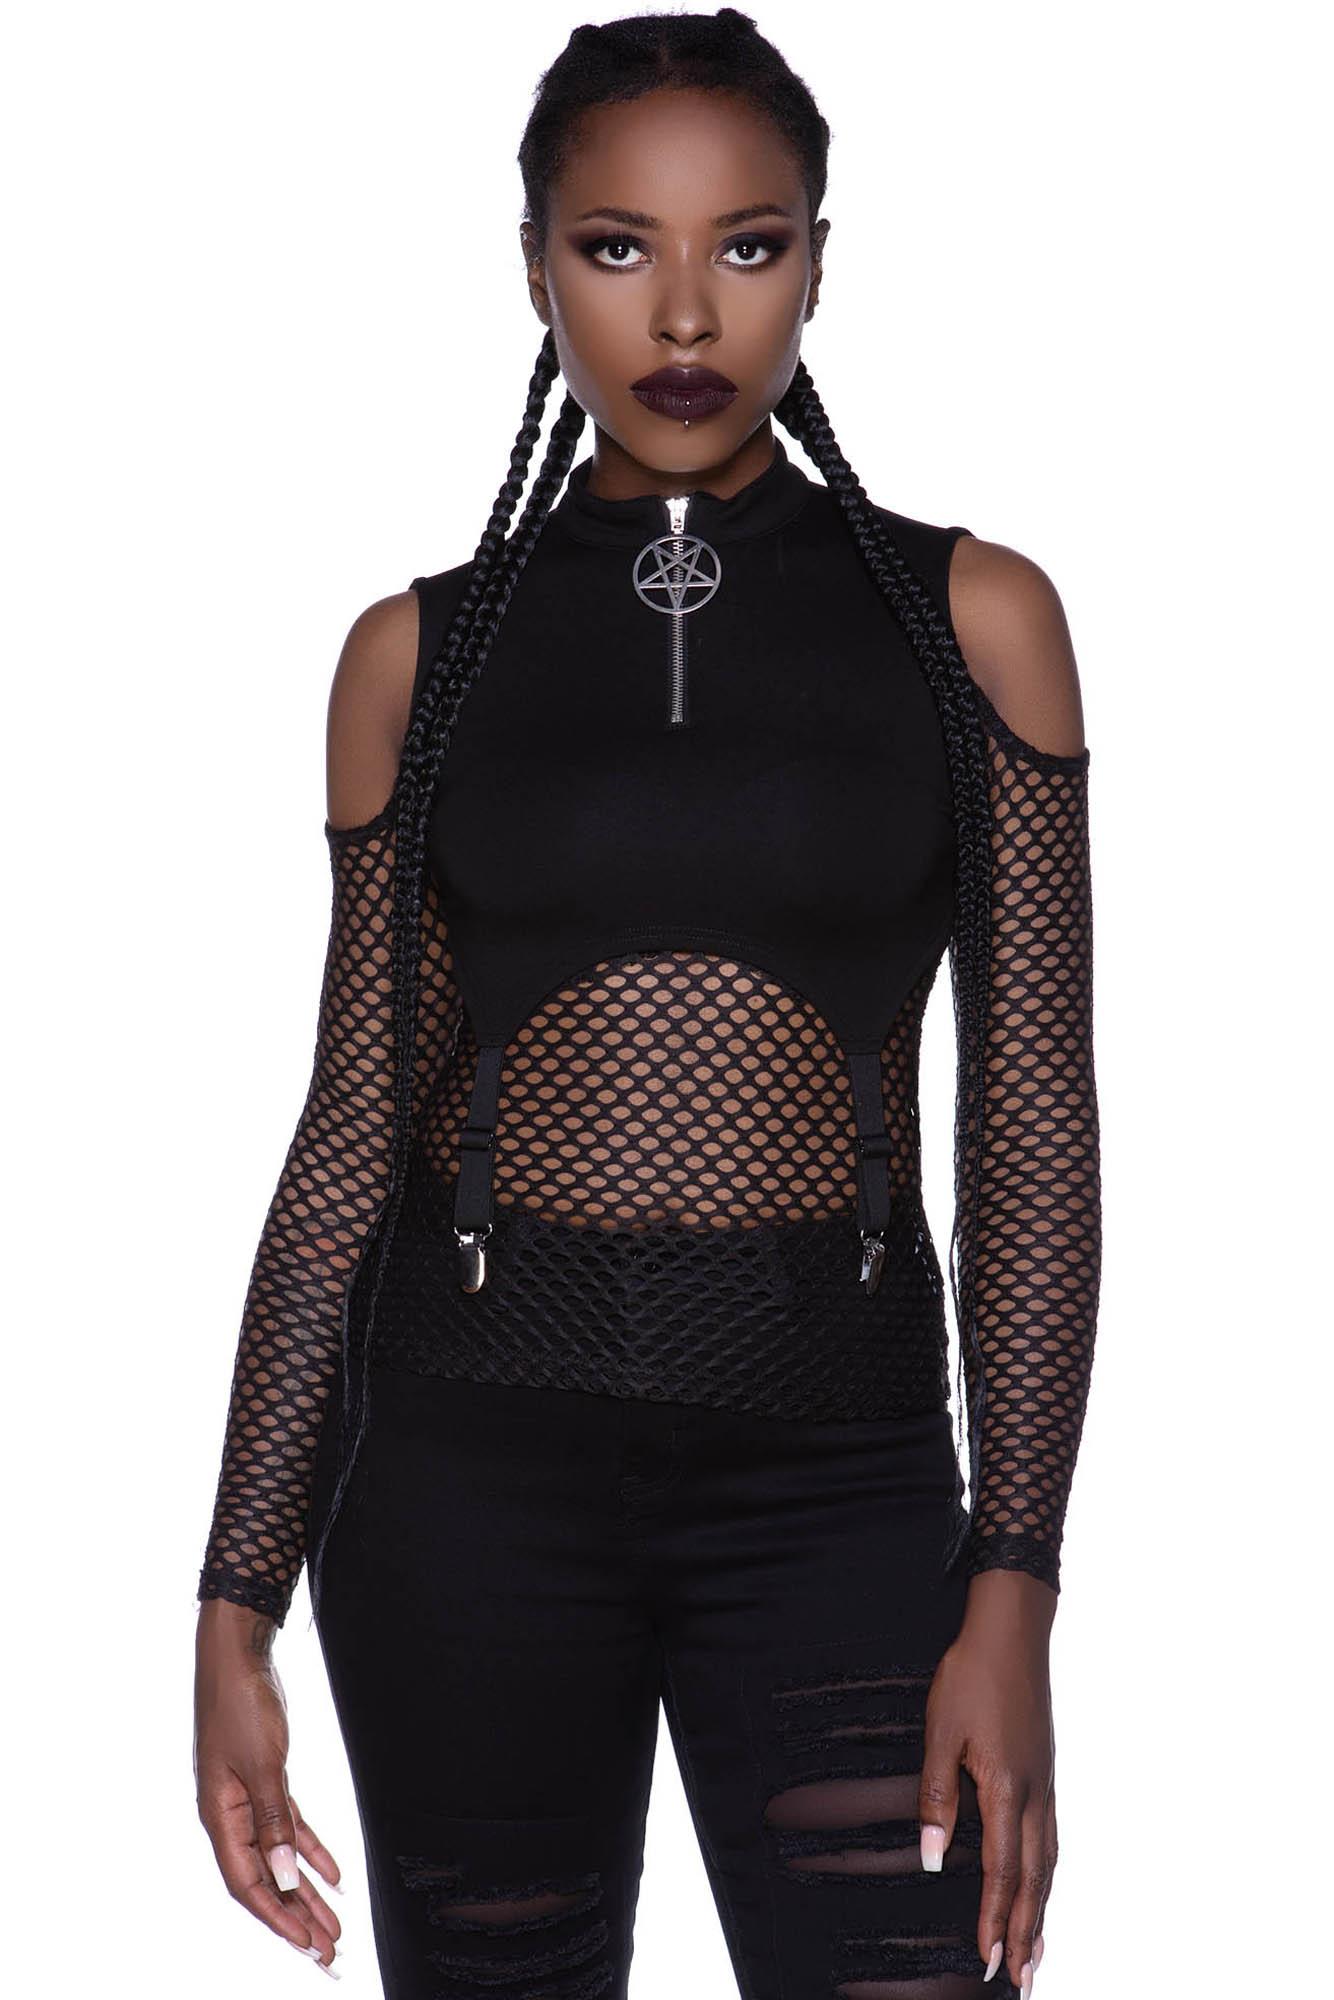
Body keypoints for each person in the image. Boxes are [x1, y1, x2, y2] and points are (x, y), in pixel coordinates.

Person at [192, 12, 1101, 1999]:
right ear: (534, 266)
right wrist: (233, 1600)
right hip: (461, 1488)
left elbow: (1027, 1120)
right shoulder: (417, 656)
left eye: (745, 245)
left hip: (839, 1479)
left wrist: (1014, 1579)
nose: (684, 311)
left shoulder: (974, 623)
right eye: (617, 247)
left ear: (817, 264)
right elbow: (351, 1137)